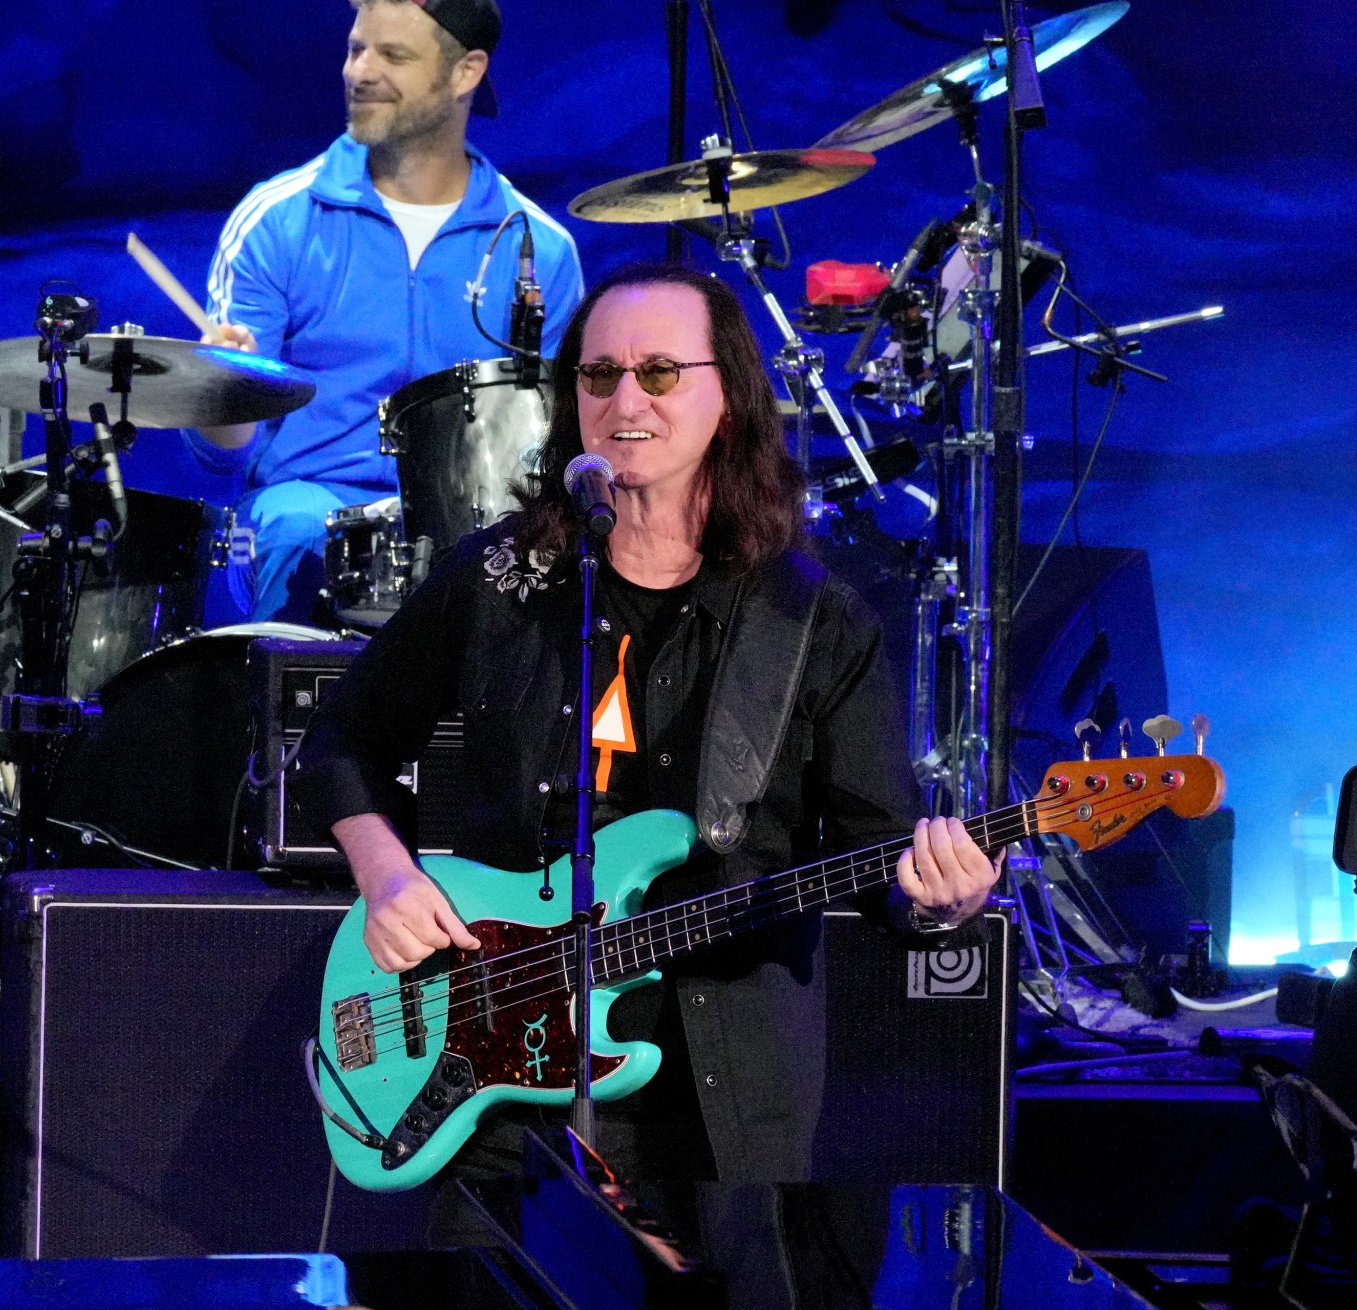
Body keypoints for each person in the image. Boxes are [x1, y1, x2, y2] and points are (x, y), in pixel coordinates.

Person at [289, 262, 998, 1214]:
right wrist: (387, 877)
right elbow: (342, 735)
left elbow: (881, 860)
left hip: (724, 1096)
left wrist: (940, 900)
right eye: (598, 375)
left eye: (660, 372)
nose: (625, 398)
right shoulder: (502, 577)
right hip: (494, 1075)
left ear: (730, 404)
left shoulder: (813, 619)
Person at [189, 0, 585, 624]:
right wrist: (221, 393)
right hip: (310, 506)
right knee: (292, 529)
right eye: (355, 49)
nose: (359, 72)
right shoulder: (278, 219)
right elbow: (222, 456)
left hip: (475, 515)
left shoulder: (539, 247)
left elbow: (559, 438)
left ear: (466, 72)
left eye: (392, 55)